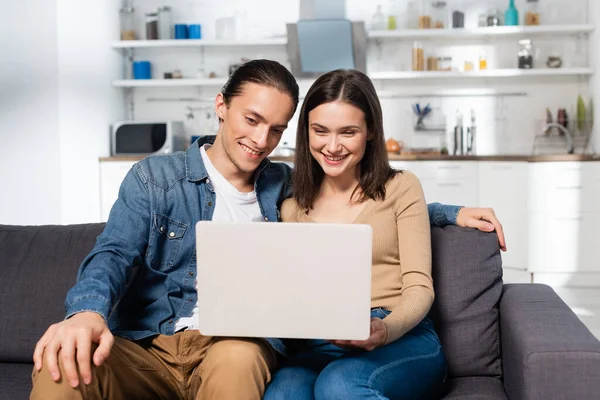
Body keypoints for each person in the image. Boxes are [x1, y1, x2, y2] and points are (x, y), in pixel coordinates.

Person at [31, 60, 505, 400]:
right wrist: (85, 313)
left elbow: (381, 202)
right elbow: (112, 253)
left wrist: (448, 212)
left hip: (279, 342)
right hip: (170, 341)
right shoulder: (188, 182)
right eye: (252, 120)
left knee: (301, 375)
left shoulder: (283, 185)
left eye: (275, 129)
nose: (261, 140)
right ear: (221, 106)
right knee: (59, 369)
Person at [264, 69, 463, 400]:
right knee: (282, 393)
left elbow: (419, 287)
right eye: (320, 131)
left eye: (348, 132)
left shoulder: (402, 188)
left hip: (402, 335)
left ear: (370, 131)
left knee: (340, 385)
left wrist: (385, 330)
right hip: (321, 341)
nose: (332, 146)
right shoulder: (290, 208)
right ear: (306, 132)